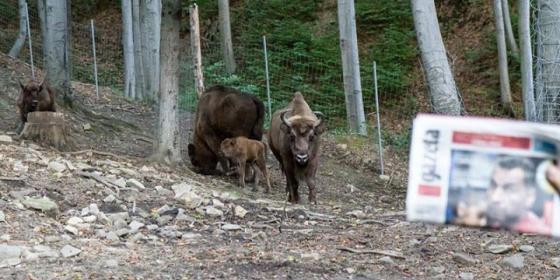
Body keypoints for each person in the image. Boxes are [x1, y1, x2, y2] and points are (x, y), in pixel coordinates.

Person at [486, 156, 552, 235]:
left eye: (509, 189)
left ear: (529, 196)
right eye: (493, 185)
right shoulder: (482, 223)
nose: (495, 198)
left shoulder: (542, 234)